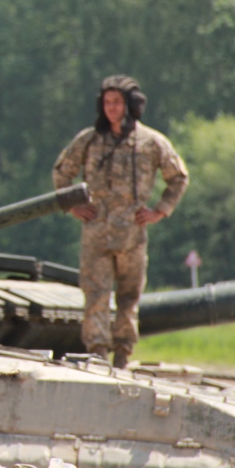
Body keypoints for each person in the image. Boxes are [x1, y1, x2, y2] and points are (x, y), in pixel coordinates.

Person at [53, 75, 189, 368]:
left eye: (117, 102)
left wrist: (160, 211)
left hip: (132, 235)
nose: (112, 108)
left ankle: (123, 354)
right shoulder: (89, 140)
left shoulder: (151, 142)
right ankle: (98, 353)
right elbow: (62, 172)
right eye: (107, 102)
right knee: (96, 296)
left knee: (129, 298)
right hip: (96, 232)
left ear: (130, 105)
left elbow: (178, 177)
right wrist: (73, 206)